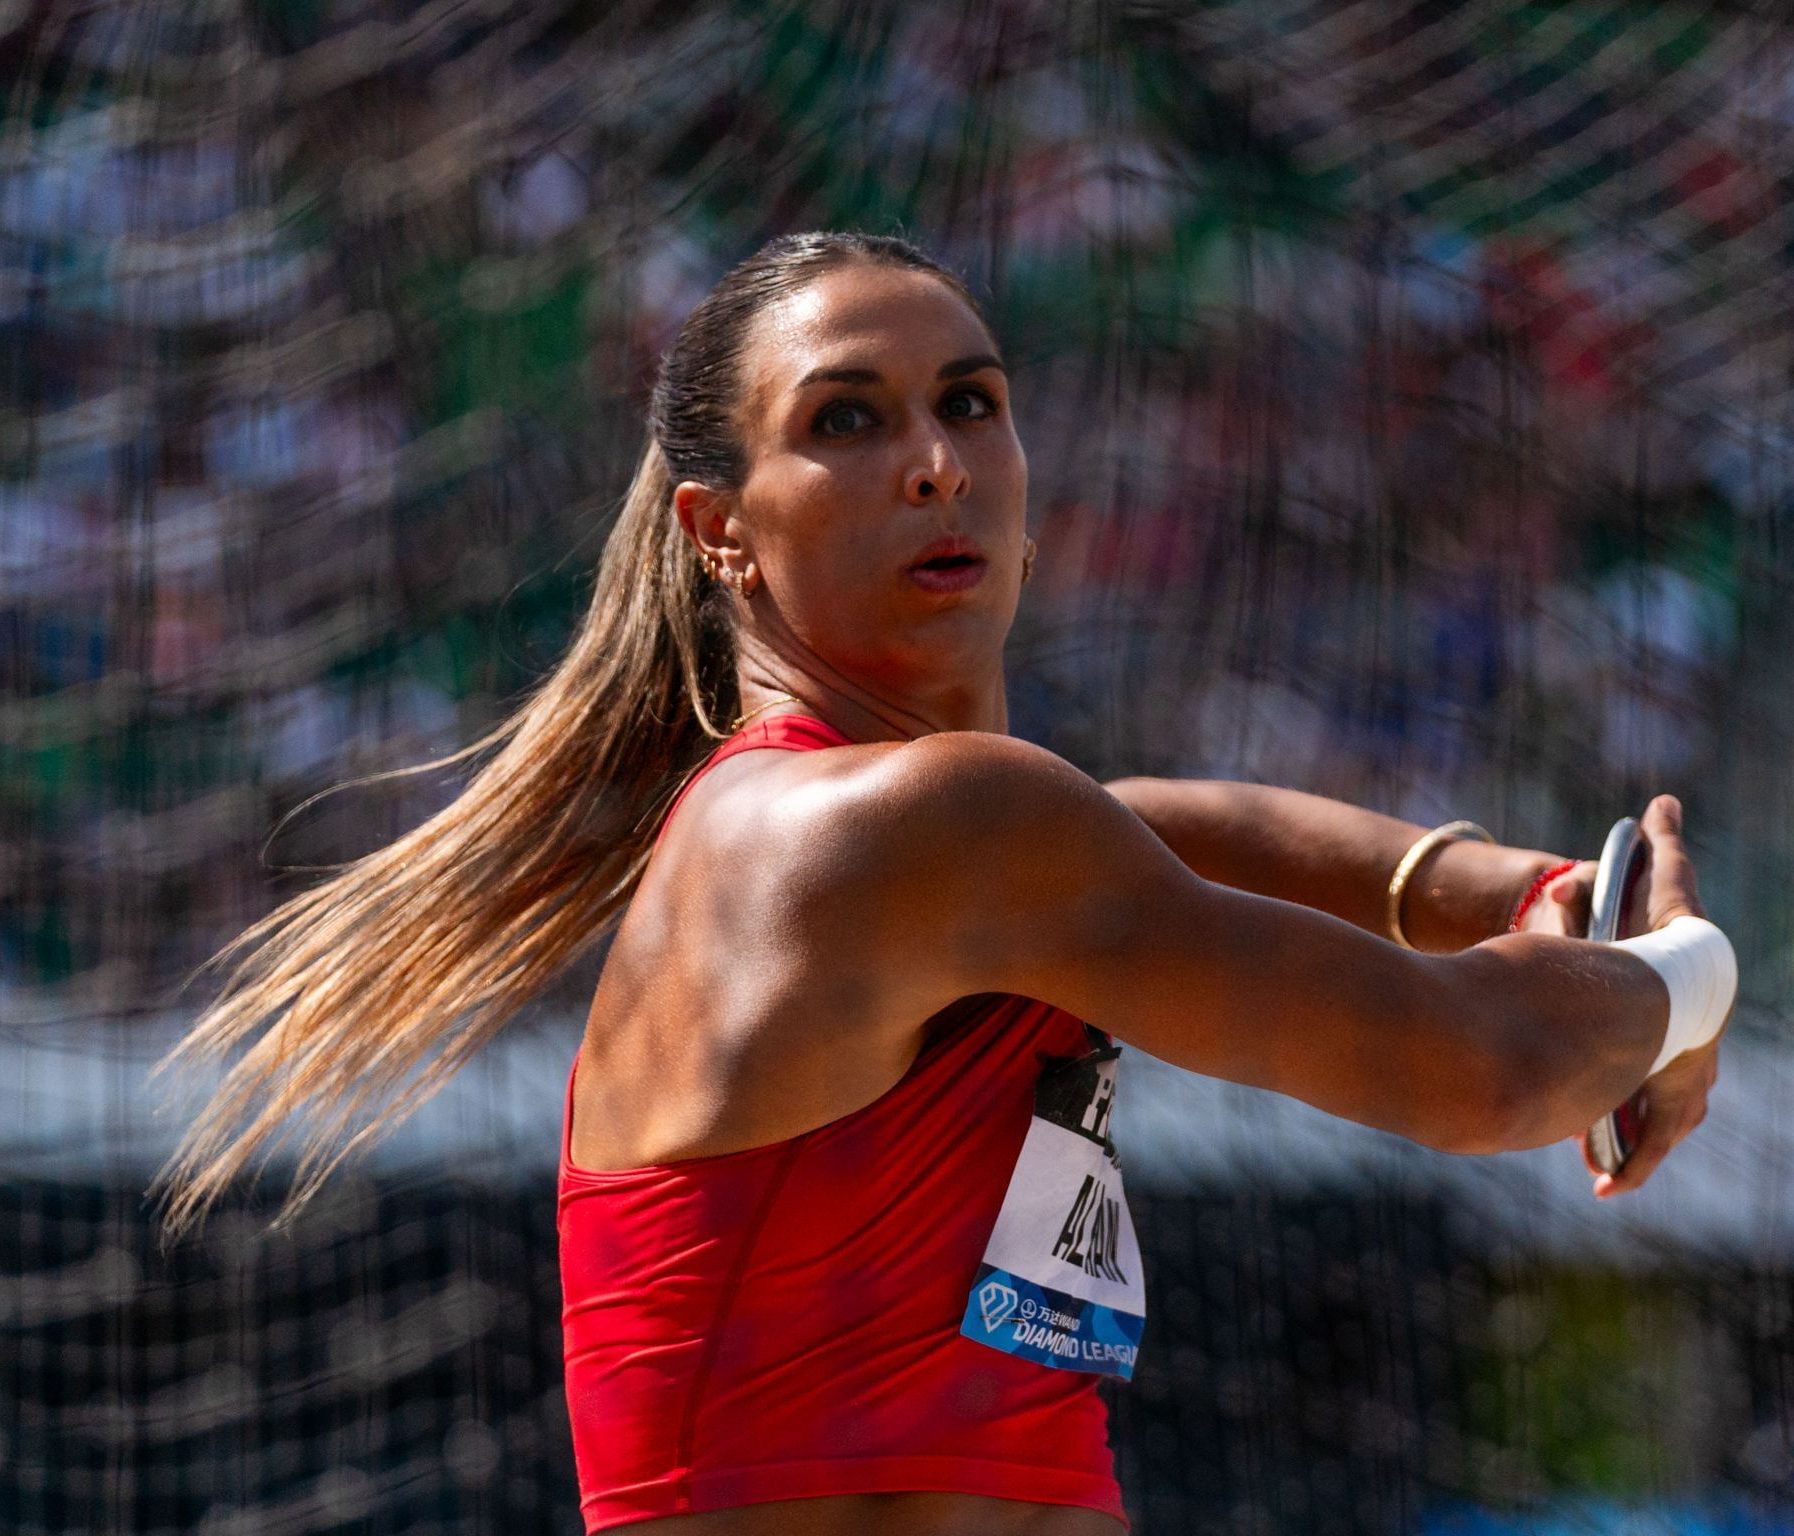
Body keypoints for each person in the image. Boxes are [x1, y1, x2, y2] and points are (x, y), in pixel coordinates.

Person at [156, 233, 1737, 1536]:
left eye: (970, 404)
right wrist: (1689, 971)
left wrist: (1536, 894)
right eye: (847, 420)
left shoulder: (952, 846)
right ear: (721, 536)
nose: (934, 463)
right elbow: (1487, 1069)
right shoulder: (906, 835)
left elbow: (1174, 829)